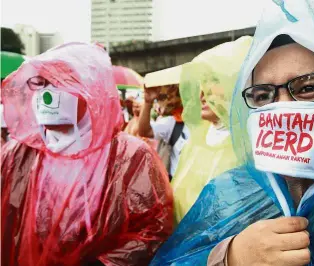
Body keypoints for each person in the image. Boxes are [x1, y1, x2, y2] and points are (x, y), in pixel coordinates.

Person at [150, 0, 314, 265]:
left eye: (308, 88)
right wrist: (229, 257)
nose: (282, 107)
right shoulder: (227, 194)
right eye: (262, 95)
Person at [1, 42, 174, 266]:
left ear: (92, 91)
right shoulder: (18, 154)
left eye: (60, 83)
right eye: (40, 83)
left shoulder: (130, 157)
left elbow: (153, 228)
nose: (47, 94)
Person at [171, 36, 252, 223]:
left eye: (214, 80)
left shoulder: (250, 143)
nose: (202, 92)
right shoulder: (197, 138)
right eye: (202, 81)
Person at [138, 69, 189, 178]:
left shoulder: (208, 122)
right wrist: (148, 102)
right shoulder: (172, 123)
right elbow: (144, 131)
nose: (170, 101)